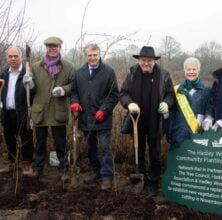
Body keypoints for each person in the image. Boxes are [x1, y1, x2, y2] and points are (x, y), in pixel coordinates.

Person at [119, 46, 175, 196]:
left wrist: (166, 103)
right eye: (143, 60)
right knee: (139, 150)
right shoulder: (132, 74)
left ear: (154, 61)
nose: (146, 63)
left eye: (149, 60)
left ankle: (154, 181)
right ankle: (141, 176)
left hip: (155, 121)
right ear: (139, 60)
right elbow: (123, 93)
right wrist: (129, 103)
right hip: (136, 120)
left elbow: (171, 95)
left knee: (155, 153)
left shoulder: (164, 75)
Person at [23, 36, 74, 182]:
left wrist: (64, 90)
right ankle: (37, 168)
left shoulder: (68, 66)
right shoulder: (35, 67)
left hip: (58, 110)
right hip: (41, 110)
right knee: (39, 141)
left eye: (55, 46)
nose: (52, 49)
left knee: (60, 142)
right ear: (46, 48)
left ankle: (64, 169)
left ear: (60, 48)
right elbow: (30, 89)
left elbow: (74, 86)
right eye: (49, 46)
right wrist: (28, 83)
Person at [70, 44, 119, 190]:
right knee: (91, 147)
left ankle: (106, 176)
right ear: (86, 56)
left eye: (95, 55)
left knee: (104, 148)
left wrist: (104, 110)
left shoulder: (108, 72)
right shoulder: (79, 73)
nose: (92, 58)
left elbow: (114, 95)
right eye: (89, 55)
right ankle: (95, 172)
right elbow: (74, 92)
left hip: (103, 118)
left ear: (99, 55)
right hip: (85, 117)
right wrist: (74, 102)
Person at [0, 46, 34, 175]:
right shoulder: (3, 74)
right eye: (10, 56)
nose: (13, 59)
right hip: (7, 112)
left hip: (23, 112)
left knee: (26, 138)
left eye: (16, 56)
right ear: (7, 57)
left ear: (21, 57)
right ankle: (12, 162)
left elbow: (33, 91)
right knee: (9, 138)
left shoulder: (27, 73)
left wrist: (30, 84)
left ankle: (26, 163)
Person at [168, 57, 211, 149]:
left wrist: (208, 120)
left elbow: (209, 110)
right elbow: (172, 114)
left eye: (194, 69)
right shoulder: (176, 90)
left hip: (198, 135)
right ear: (184, 71)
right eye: (188, 69)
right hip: (178, 135)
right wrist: (170, 132)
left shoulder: (206, 90)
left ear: (198, 70)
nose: (191, 72)